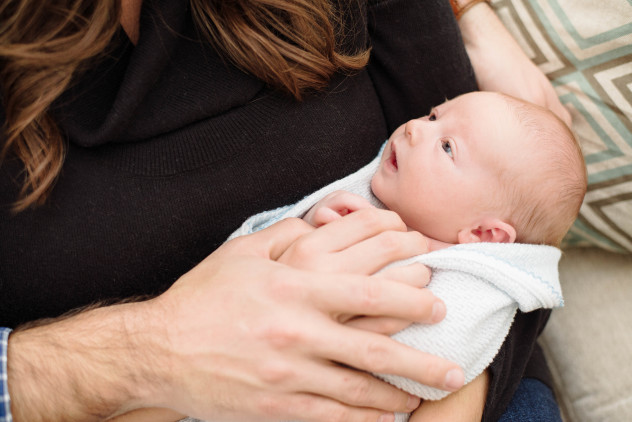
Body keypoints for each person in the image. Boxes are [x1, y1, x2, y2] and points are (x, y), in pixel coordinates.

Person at [0, 1, 573, 421]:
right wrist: (148, 351)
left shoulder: (463, 236)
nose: (416, 131)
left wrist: (451, 392)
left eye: (442, 137)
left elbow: (521, 238)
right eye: (427, 121)